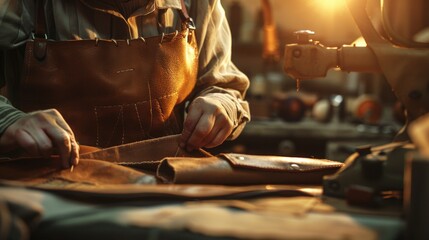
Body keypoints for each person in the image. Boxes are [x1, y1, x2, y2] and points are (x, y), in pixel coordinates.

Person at [0, 0, 250, 168]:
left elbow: (223, 85)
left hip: (167, 189)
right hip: (54, 188)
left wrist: (221, 104)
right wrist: (9, 120)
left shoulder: (196, 4)